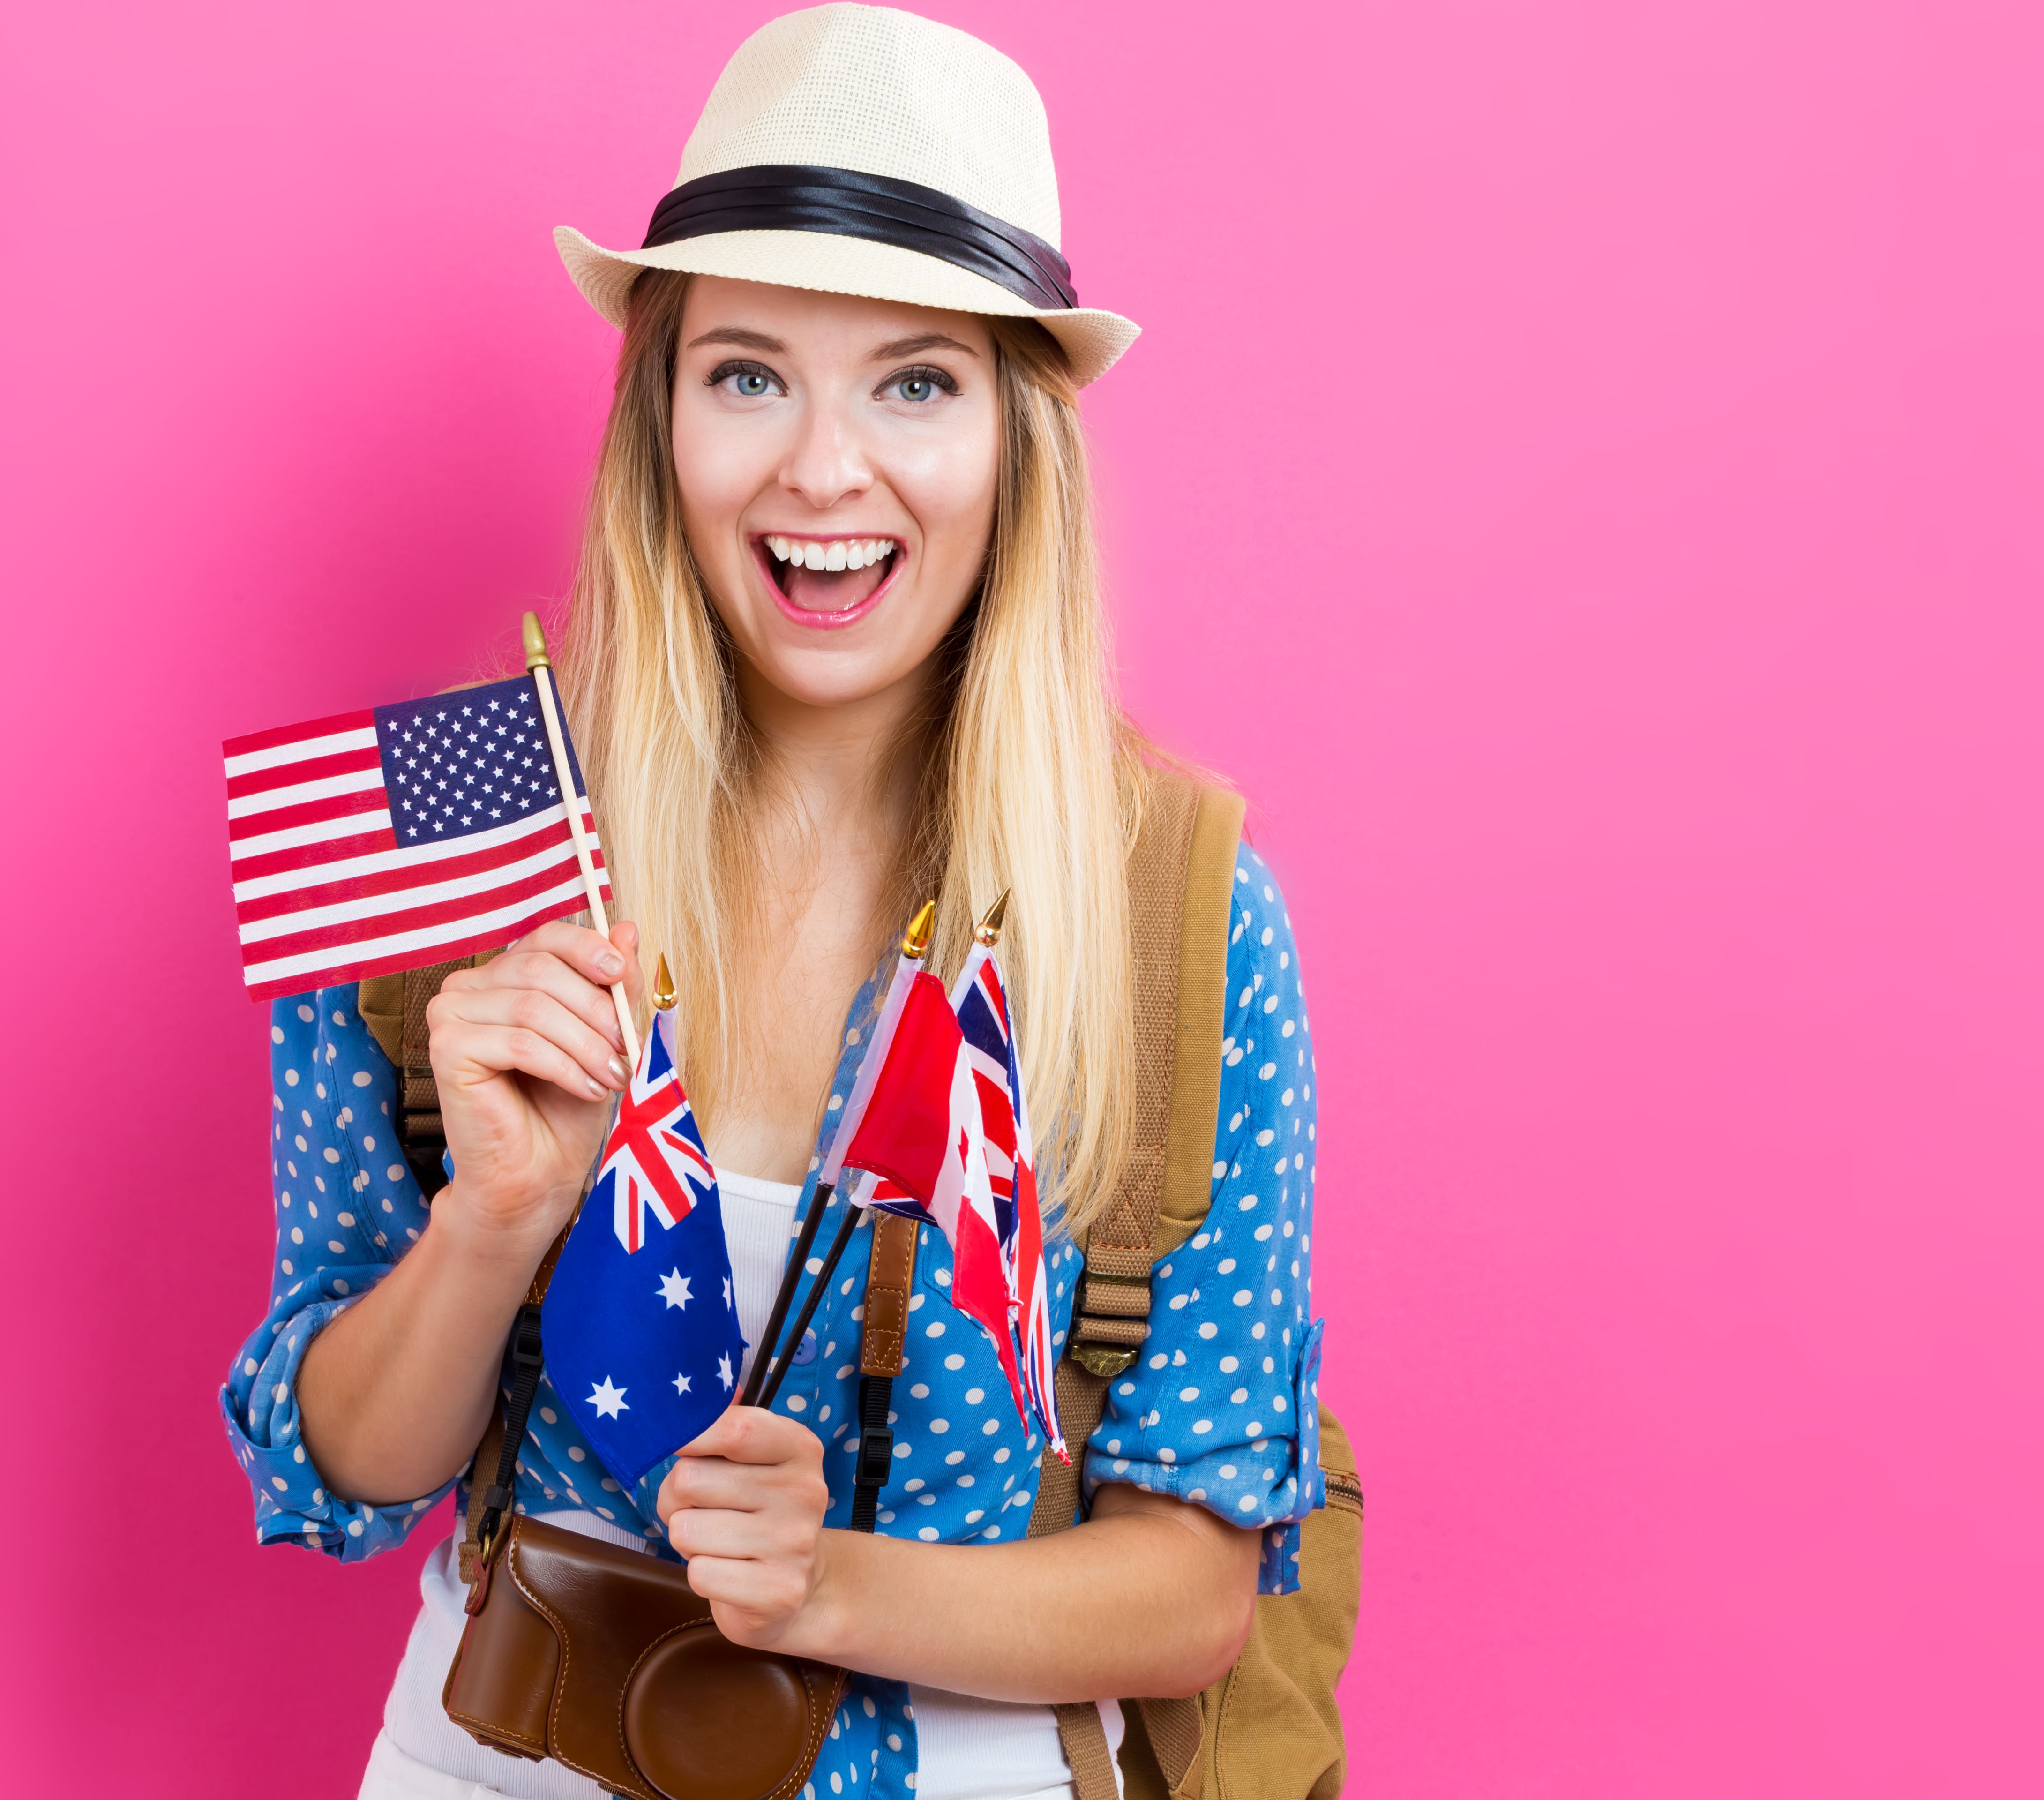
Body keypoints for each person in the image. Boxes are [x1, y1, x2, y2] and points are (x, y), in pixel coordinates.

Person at [221, 10, 1331, 1797]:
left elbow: (1197, 1576)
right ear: (662, 411)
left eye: (914, 382)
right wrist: (495, 1222)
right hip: (501, 1759)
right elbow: (343, 1471)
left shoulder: (1166, 911)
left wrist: (831, 1587)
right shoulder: (473, 828)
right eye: (749, 374)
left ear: (1013, 444)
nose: (825, 470)